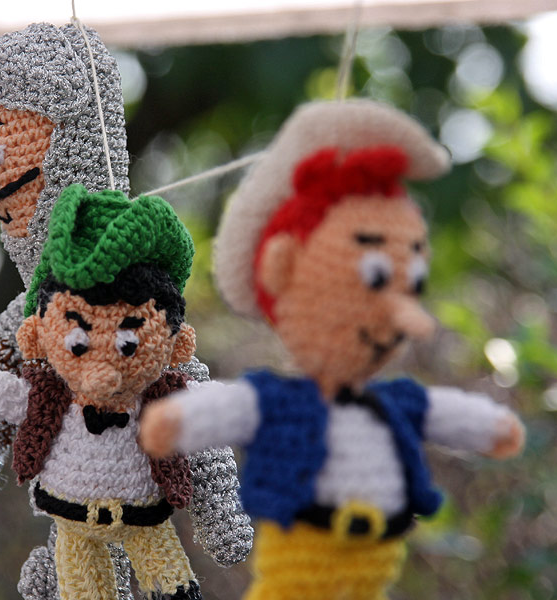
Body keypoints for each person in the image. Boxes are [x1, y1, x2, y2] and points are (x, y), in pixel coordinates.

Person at [140, 100, 525, 600]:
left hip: (376, 561)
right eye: (376, 278)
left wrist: (491, 427)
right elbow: (230, 408)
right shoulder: (278, 401)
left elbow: (443, 414)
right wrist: (178, 421)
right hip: (300, 560)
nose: (403, 316)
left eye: (410, 282)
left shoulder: (397, 402)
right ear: (282, 268)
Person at [0, 183, 206, 600]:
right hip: (70, 513)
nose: (102, 371)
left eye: (127, 342)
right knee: (82, 585)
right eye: (79, 342)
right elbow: (17, 398)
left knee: (171, 580)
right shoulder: (50, 396)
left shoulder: (163, 398)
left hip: (145, 515)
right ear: (38, 336)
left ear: (177, 343)